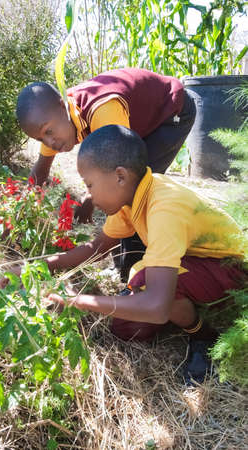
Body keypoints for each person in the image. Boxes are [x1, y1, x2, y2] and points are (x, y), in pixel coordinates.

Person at [41, 125, 247, 385]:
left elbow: (156, 307)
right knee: (126, 327)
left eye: (90, 184)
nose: (89, 196)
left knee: (148, 290)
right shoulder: (132, 196)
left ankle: (203, 336)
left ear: (120, 176)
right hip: (200, 266)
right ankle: (186, 311)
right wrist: (43, 266)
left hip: (234, 272)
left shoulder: (165, 206)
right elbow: (98, 247)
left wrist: (79, 301)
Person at [16, 68, 196, 280]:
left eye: (48, 132)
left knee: (135, 192)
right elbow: (41, 168)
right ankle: (122, 265)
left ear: (62, 104)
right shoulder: (54, 120)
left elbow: (120, 175)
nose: (50, 143)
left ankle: (133, 272)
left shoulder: (103, 110)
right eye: (41, 139)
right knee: (120, 191)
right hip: (134, 124)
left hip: (170, 113)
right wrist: (20, 212)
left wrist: (92, 199)